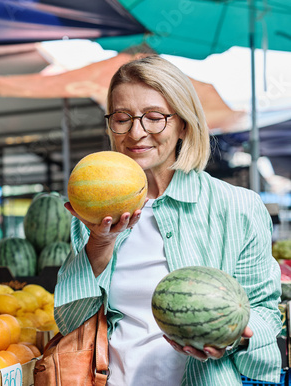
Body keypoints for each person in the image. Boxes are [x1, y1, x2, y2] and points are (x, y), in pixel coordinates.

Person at [55, 55, 282, 385]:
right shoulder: (93, 213)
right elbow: (70, 321)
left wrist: (233, 337)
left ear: (183, 124)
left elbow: (263, 311)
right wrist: (99, 243)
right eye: (122, 118)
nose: (136, 132)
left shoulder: (239, 207)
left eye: (154, 117)